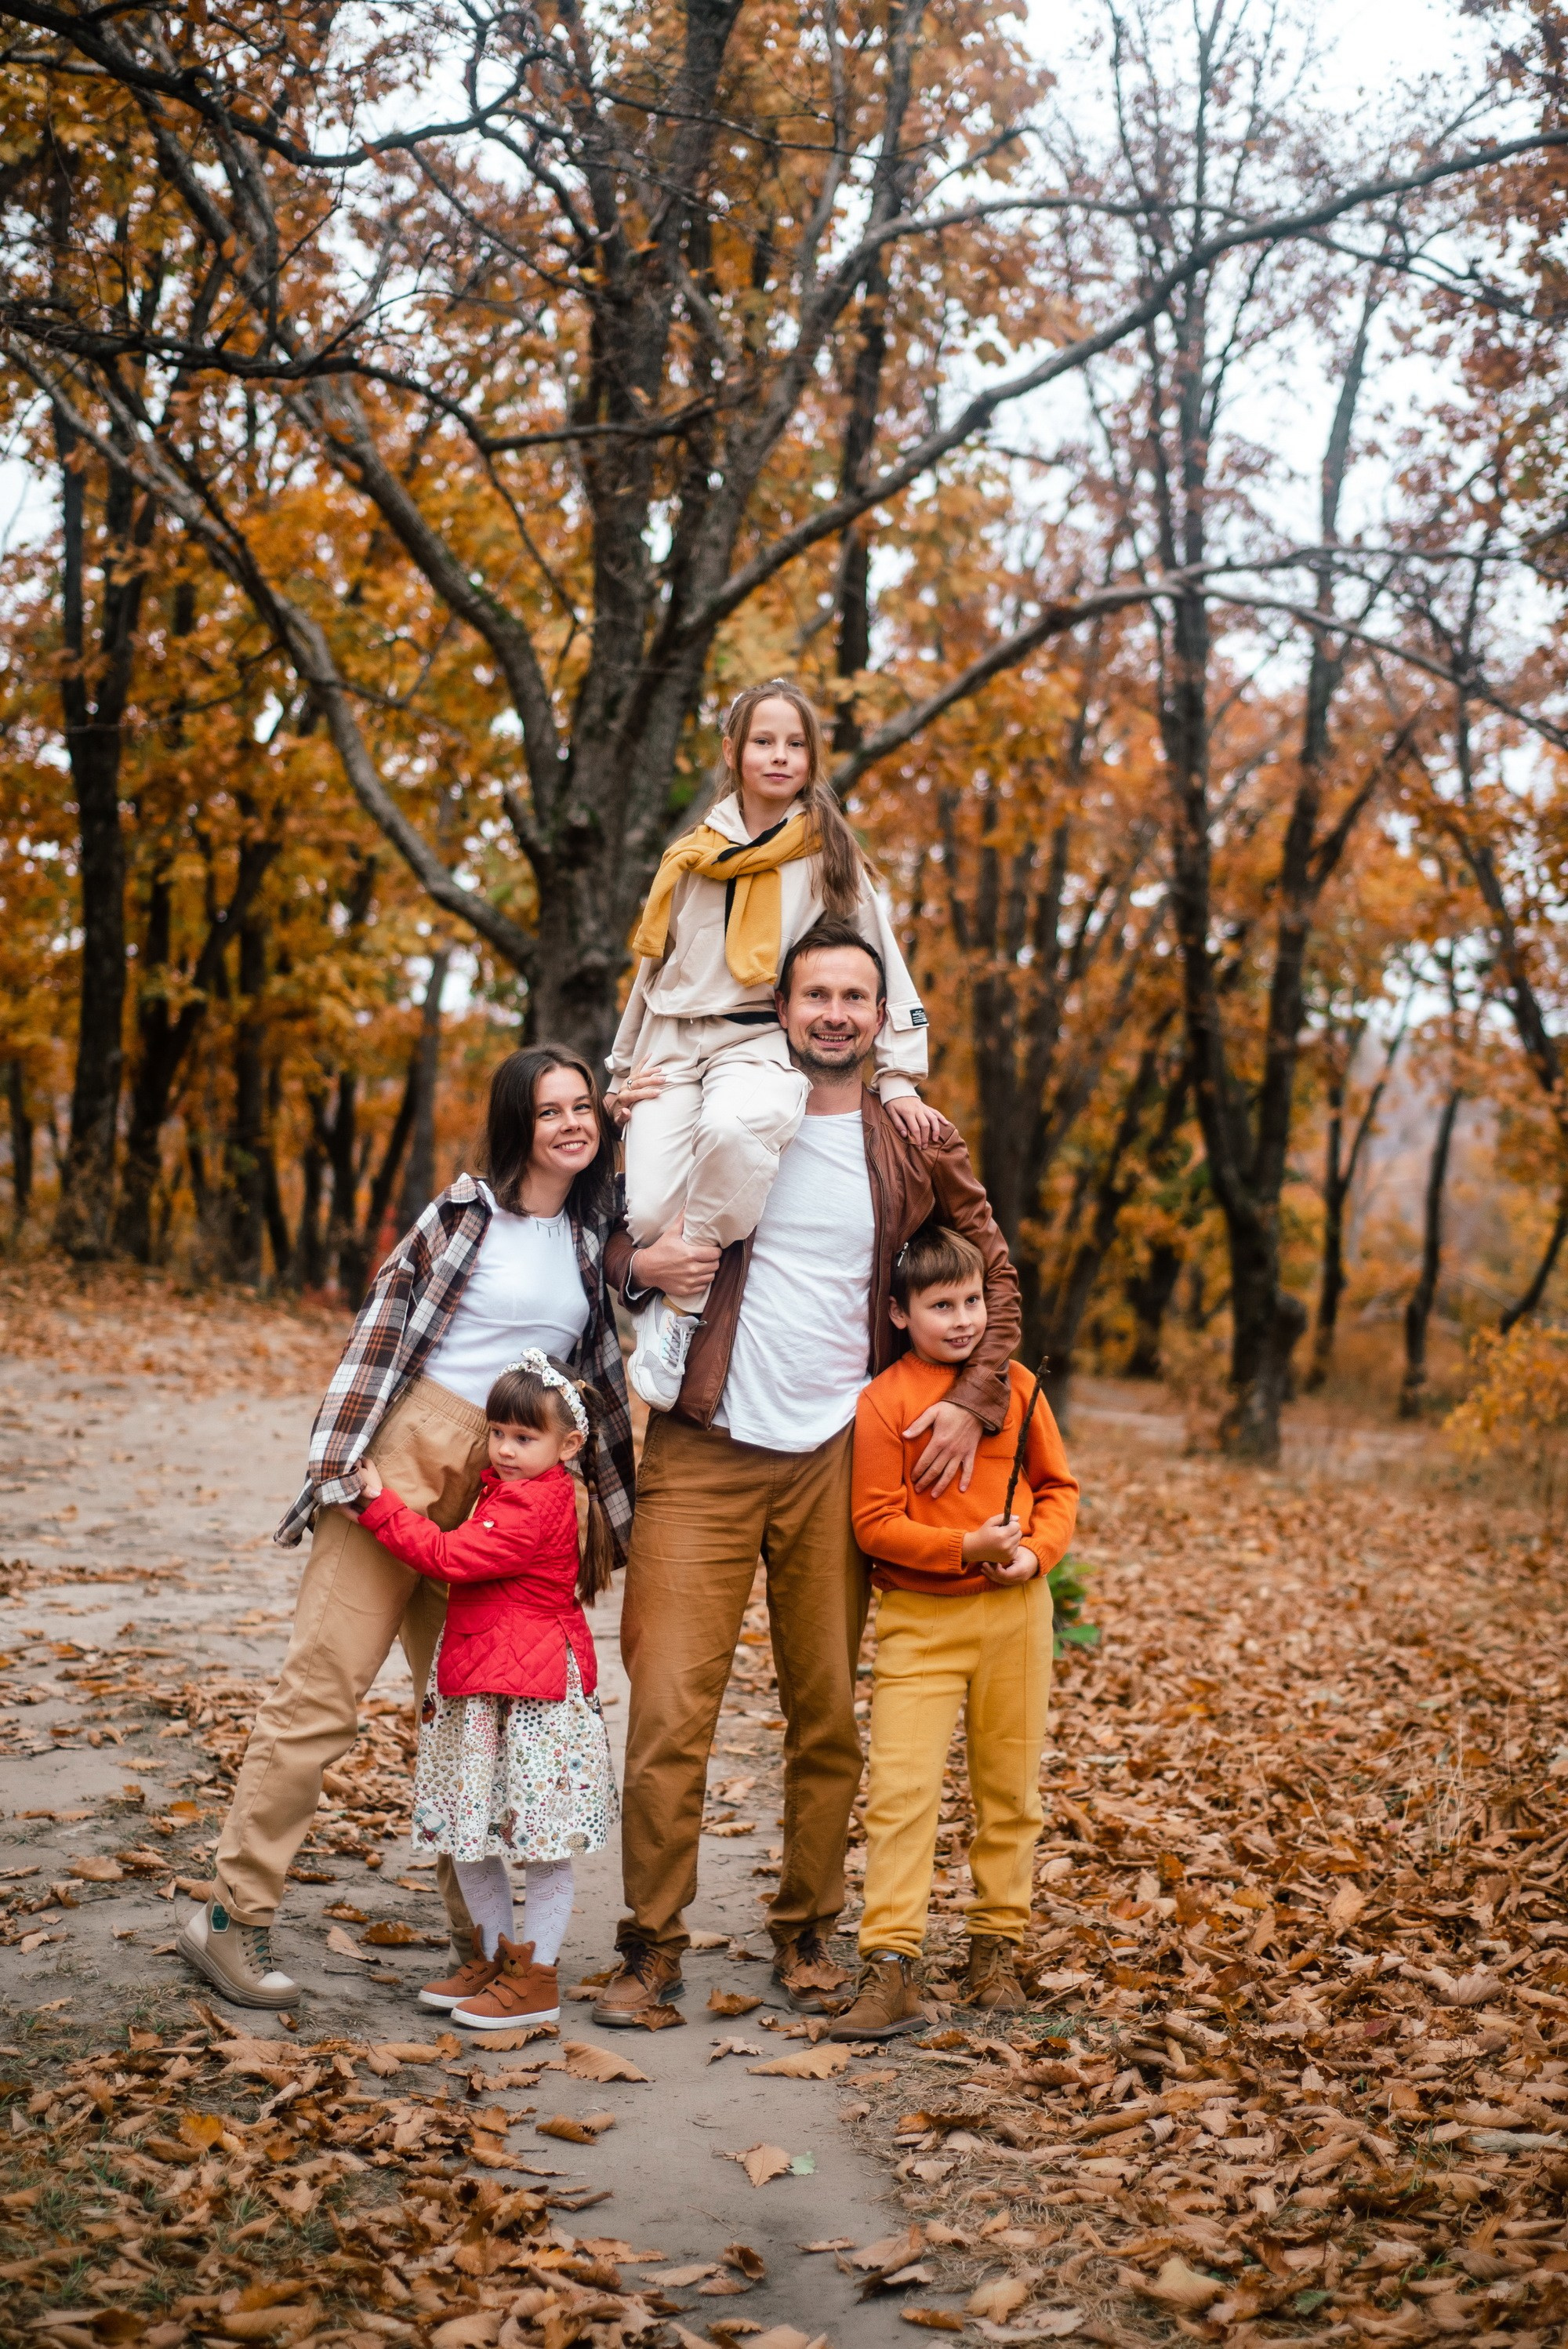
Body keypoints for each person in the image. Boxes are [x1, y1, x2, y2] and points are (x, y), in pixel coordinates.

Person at [590, 916, 1024, 2026]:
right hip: (703, 1445)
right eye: (816, 994)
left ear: (882, 1020)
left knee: (826, 1714)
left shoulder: (915, 1137)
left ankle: (806, 1936)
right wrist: (636, 1261)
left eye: (856, 997)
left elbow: (998, 1276)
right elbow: (606, 1231)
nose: (836, 1012)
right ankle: (649, 1951)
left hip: (843, 1458)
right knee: (669, 1715)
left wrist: (975, 1403)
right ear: (782, 1012)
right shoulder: (720, 1113)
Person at [176, 1044, 670, 2010]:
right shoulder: (460, 1216)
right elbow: (379, 1328)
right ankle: (231, 1915)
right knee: (323, 1688)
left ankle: (479, 1943)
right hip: (406, 1456)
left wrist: (634, 1100)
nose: (570, 1123)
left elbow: (658, 1210)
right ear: (512, 1123)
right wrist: (336, 1467)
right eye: (548, 1110)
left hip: (502, 1484)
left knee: (467, 1712)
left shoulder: (590, 1226)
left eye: (581, 1108)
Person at [607, 681, 939, 1413]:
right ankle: (661, 1304)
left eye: (795, 744)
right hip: (671, 1042)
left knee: (738, 1129)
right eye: (764, 741)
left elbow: (882, 956)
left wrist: (900, 1076)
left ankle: (685, 1318)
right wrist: (620, 1070)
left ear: (812, 757)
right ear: (733, 752)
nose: (779, 756)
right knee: (651, 1207)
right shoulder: (691, 856)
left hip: (757, 1040)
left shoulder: (828, 855)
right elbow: (652, 968)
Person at [828, 1222, 1079, 2041]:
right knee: (902, 1793)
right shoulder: (882, 1402)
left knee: (1008, 1791)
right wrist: (958, 1549)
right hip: (918, 1621)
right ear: (900, 1313)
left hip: (1015, 1619)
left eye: (972, 1300)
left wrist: (1035, 1554)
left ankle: (993, 1947)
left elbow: (1058, 1488)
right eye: (941, 1305)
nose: (962, 1318)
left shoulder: (1014, 1386)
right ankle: (890, 1961)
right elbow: (872, 1524)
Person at [347, 1351, 618, 2030]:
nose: (505, 1449)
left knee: (540, 1843)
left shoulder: (534, 1502)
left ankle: (538, 1976)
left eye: (525, 1438)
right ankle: (500, 1958)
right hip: (487, 1684)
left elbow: (448, 1556)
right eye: (498, 1433)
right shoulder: (509, 1489)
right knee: (471, 1833)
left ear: (569, 1445)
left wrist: (380, 1503)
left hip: (531, 1699)